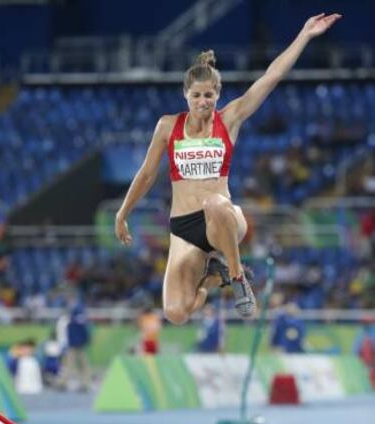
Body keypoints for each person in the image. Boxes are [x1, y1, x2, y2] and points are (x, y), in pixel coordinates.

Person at [115, 13, 341, 325]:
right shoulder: (168, 126)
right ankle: (211, 278)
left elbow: (270, 78)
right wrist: (122, 212)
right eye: (196, 95)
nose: (203, 101)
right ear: (186, 95)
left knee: (213, 203)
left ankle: (237, 277)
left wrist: (304, 34)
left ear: (217, 95)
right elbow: (146, 173)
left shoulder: (229, 119)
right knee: (176, 312)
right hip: (184, 228)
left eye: (209, 95)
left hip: (224, 217)